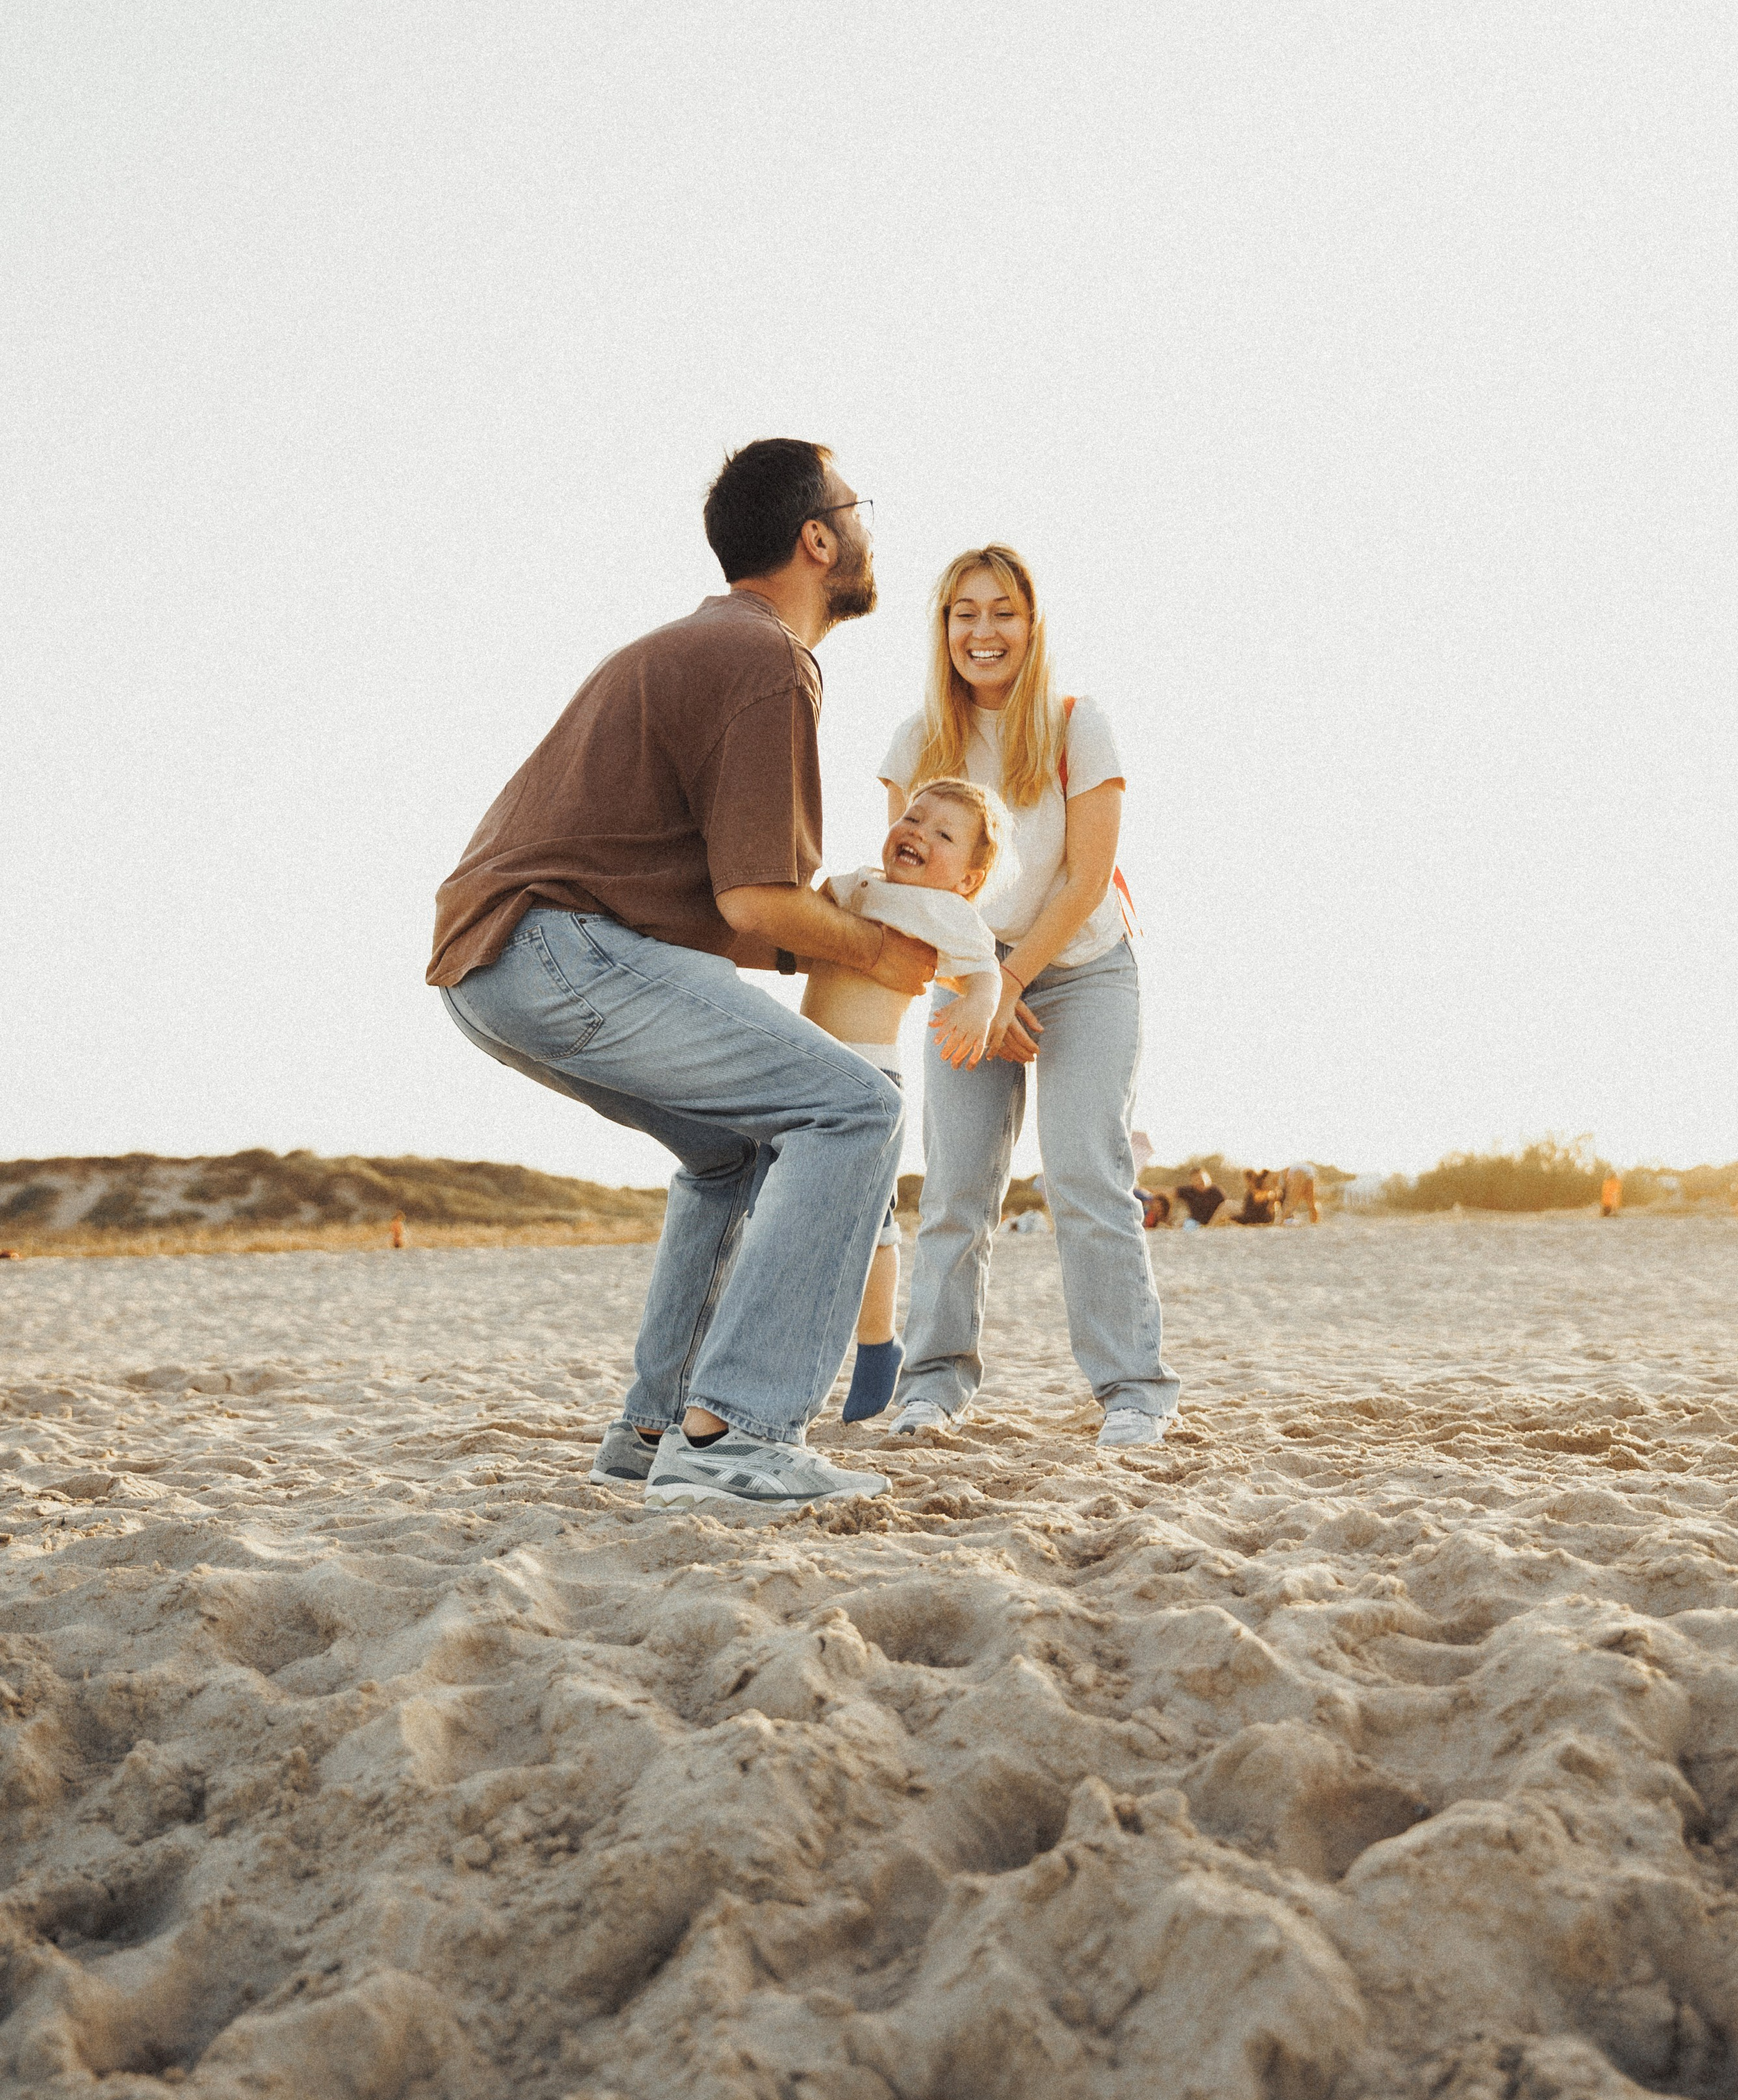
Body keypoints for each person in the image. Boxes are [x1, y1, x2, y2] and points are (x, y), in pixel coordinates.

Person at [427, 439, 937, 1512]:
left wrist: (827, 934)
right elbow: (759, 902)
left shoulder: (694, 647)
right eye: (860, 509)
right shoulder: (767, 660)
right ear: (817, 538)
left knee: (732, 1152)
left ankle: (657, 1428)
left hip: (493, 965)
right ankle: (736, 1434)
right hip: (555, 947)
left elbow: (724, 911)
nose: (869, 529)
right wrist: (884, 954)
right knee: (856, 1108)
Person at [879, 545, 1177, 1450]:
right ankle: (931, 1386)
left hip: (1084, 968)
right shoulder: (916, 742)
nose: (984, 630)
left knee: (1086, 1171)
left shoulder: (1080, 726)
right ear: (943, 627)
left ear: (1032, 624)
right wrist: (977, 986)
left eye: (1003, 611)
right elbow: (914, 893)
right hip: (965, 971)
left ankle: (1133, 1390)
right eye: (964, 612)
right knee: (957, 1186)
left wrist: (1006, 986)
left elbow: (1086, 877)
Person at [798, 777, 1007, 1420]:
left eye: (943, 834)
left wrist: (976, 1009)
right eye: (913, 818)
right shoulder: (859, 883)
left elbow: (985, 970)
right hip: (800, 1068)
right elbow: (802, 914)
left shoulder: (946, 912)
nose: (918, 832)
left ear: (968, 880)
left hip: (867, 1078)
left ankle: (876, 1347)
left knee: (873, 1227)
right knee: (792, 1216)